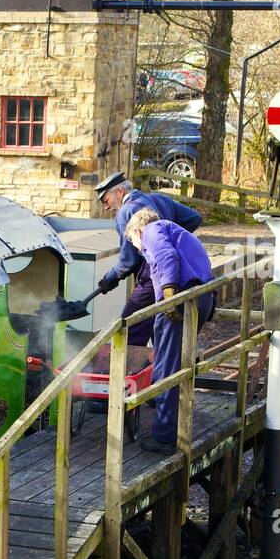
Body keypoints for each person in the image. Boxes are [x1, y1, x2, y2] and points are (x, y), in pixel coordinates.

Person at [123, 207, 217, 454]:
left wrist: (168, 294)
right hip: (201, 298)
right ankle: (167, 417)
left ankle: (164, 435)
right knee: (176, 364)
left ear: (137, 230)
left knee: (167, 366)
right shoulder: (177, 232)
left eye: (133, 241)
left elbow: (165, 257)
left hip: (182, 299)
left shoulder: (153, 230)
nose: (136, 248)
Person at [93, 171, 203, 350]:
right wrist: (171, 240)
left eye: (106, 201)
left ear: (119, 192)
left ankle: (125, 374)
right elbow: (194, 218)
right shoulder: (159, 199)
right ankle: (157, 373)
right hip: (173, 275)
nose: (106, 207)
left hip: (150, 277)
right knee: (158, 329)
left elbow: (128, 261)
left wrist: (109, 279)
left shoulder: (126, 212)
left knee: (128, 330)